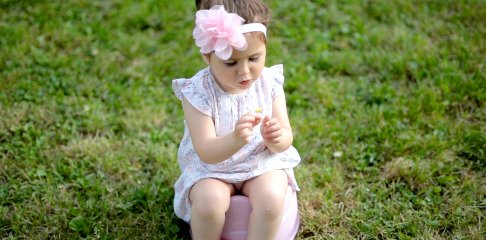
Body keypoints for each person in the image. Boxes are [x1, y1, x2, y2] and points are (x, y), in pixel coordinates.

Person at [172, 0, 301, 239]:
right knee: (210, 202)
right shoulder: (198, 93)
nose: (244, 72)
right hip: (212, 170)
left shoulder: (269, 83)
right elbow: (206, 151)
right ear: (207, 56)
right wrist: (234, 139)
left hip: (260, 163)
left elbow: (285, 139)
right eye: (231, 63)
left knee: (272, 196)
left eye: (254, 59)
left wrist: (276, 137)